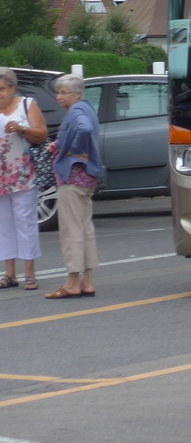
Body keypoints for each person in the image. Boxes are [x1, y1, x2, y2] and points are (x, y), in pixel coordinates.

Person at [45, 74, 101, 299]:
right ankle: (87, 281)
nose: (59, 97)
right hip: (87, 177)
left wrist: (71, 150)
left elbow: (83, 130)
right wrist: (59, 144)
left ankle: (72, 283)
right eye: (58, 92)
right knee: (86, 228)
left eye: (63, 92)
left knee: (71, 231)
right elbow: (85, 129)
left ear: (77, 94)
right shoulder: (87, 108)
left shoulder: (76, 111)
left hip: (72, 177)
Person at [0, 67, 49, 291]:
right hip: (1, 176)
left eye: (1, 89)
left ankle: (30, 274)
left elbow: (42, 134)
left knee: (25, 223)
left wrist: (21, 129)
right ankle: (9, 274)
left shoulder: (26, 105)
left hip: (22, 174)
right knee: (4, 225)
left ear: (12, 87)